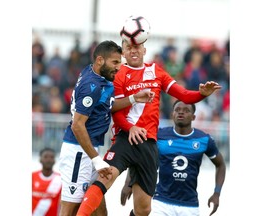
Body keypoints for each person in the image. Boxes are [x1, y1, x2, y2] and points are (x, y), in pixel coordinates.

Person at [76, 40, 221, 216]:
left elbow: (183, 94)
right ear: (124, 53)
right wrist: (131, 128)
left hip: (149, 144)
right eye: (128, 48)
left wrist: (201, 94)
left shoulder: (156, 71)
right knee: (104, 177)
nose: (133, 51)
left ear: (144, 49)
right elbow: (115, 109)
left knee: (143, 209)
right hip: (125, 138)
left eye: (137, 47)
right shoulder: (119, 73)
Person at [58, 40, 155, 216]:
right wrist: (96, 159)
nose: (119, 67)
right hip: (78, 152)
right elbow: (77, 125)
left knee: (98, 207)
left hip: (89, 151)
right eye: (115, 62)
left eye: (120, 62)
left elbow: (106, 106)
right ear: (100, 60)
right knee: (69, 209)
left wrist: (134, 98)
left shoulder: (98, 74)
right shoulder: (91, 86)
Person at [121, 100, 226, 216]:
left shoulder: (204, 140)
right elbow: (139, 156)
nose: (181, 113)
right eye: (177, 110)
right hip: (161, 202)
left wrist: (217, 193)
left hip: (190, 205)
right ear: (172, 114)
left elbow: (220, 164)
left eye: (186, 111)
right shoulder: (159, 135)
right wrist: (128, 183)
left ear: (193, 117)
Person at [32, 147, 62, 216]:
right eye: (45, 157)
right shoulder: (32, 177)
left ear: (54, 160)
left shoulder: (60, 179)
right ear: (40, 159)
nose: (48, 160)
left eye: (51, 157)